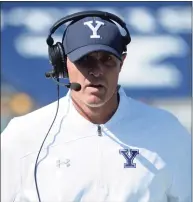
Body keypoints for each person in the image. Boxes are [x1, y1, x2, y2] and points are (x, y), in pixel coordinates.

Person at [1, 11, 191, 202]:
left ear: (122, 63)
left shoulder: (167, 131)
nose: (96, 71)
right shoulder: (22, 135)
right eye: (84, 59)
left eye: (107, 59)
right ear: (63, 63)